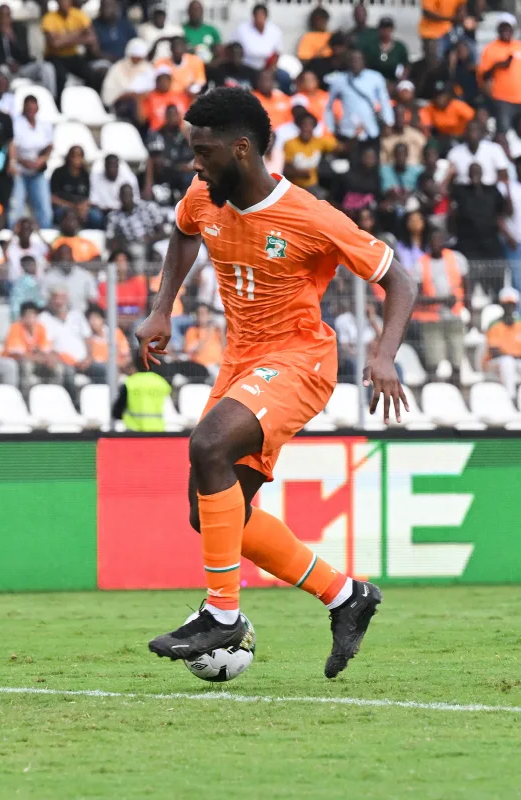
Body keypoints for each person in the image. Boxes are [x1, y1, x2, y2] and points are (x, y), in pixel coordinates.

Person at [135, 87, 415, 675]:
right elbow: (185, 230)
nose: (193, 163)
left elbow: (401, 279)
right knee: (210, 510)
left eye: (203, 152)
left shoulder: (309, 216)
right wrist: (164, 306)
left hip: (299, 360)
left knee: (209, 444)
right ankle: (345, 595)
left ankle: (223, 615)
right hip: (241, 361)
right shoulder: (204, 194)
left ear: (242, 149)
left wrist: (385, 354)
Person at [411, 229, 467, 374]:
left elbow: (468, 287)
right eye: (433, 241)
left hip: (454, 317)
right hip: (431, 320)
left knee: (457, 361)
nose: (436, 244)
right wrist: (441, 300)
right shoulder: (420, 264)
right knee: (433, 362)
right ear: (428, 243)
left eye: (439, 240)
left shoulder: (457, 258)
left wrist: (470, 311)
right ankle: (433, 391)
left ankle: (456, 391)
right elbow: (416, 297)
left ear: (444, 242)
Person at [0, 4, 56, 97]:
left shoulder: (20, 29)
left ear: (11, 17)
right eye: (1, 16)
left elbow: (25, 53)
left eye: (7, 16)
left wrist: (13, 39)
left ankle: (51, 97)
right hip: (5, 69)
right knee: (1, 70)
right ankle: (5, 99)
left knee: (47, 67)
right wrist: (7, 63)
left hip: (22, 67)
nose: (4, 20)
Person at [326, 50, 393, 144]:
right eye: (353, 60)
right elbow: (328, 106)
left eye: (359, 59)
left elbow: (384, 101)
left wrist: (388, 122)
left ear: (364, 61)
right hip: (348, 131)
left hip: (371, 129)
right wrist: (330, 128)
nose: (356, 62)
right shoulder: (339, 79)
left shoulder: (375, 77)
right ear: (348, 62)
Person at [41, 0, 103, 99]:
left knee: (91, 74)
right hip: (54, 56)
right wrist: (78, 34)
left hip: (72, 55)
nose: (64, 2)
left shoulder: (78, 14)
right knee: (60, 77)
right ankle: (58, 105)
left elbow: (91, 38)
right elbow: (54, 44)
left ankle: (91, 100)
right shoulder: (49, 18)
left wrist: (63, 38)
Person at [10, 94, 54, 228]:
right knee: (16, 206)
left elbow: (49, 146)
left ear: (37, 108)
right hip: (19, 170)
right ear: (23, 108)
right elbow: (12, 147)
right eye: (28, 107)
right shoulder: (17, 124)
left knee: (44, 207)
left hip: (37, 171)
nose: (30, 110)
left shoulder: (44, 125)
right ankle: (13, 232)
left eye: (33, 107)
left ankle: (46, 231)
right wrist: (22, 161)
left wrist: (42, 159)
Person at [3, 300, 65, 388]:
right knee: (27, 366)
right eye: (28, 315)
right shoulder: (15, 328)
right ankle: (27, 398)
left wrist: (49, 359)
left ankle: (54, 395)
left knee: (58, 367)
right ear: (22, 317)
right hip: (16, 363)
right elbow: (20, 355)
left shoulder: (40, 327)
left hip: (37, 361)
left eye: (34, 315)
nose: (31, 318)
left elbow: (45, 350)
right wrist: (40, 358)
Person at [106, 183, 171, 264]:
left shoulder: (147, 208)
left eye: (128, 195)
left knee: (164, 249)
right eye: (123, 195)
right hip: (130, 246)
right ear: (120, 197)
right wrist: (122, 243)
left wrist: (149, 238)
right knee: (137, 250)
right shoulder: (114, 216)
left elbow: (162, 232)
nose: (126, 198)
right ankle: (140, 276)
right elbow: (109, 241)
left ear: (133, 195)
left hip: (151, 242)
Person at [281, 112, 337, 196]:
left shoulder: (319, 141)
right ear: (299, 126)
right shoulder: (289, 143)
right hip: (294, 186)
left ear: (314, 127)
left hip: (312, 186)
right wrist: (299, 173)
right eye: (304, 125)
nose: (306, 128)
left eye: (310, 125)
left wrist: (355, 136)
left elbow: (341, 148)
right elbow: (285, 169)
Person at [111, 355, 171, 431]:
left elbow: (116, 412)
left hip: (133, 432)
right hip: (157, 431)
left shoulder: (130, 383)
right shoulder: (161, 383)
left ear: (135, 365)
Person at [101, 38, 155, 119]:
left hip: (145, 104)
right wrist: (128, 95)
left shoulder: (148, 69)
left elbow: (152, 91)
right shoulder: (117, 67)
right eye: (134, 56)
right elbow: (110, 94)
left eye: (139, 57)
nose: (136, 59)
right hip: (122, 104)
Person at [485, 286, 521, 396]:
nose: (509, 307)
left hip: (517, 360)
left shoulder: (519, 324)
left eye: (511, 304)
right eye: (506, 304)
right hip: (495, 362)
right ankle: (511, 397)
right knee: (507, 362)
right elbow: (494, 352)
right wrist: (514, 355)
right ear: (502, 305)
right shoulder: (494, 325)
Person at [42, 243, 97, 313]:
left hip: (81, 317)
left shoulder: (85, 276)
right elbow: (44, 300)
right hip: (55, 319)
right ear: (57, 258)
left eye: (67, 254)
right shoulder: (49, 277)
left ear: (72, 256)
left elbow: (92, 299)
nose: (65, 258)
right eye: (61, 256)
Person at [142, 66, 190, 132]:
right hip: (159, 132)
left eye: (167, 79)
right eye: (161, 79)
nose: (164, 82)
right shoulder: (150, 98)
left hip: (180, 133)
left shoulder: (180, 95)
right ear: (156, 81)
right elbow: (142, 119)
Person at [362, 16, 409, 82]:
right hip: (374, 81)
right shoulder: (371, 46)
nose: (386, 30)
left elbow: (405, 66)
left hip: (394, 80)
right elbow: (365, 65)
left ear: (392, 29)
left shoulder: (400, 46)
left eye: (388, 28)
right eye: (383, 28)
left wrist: (400, 80)